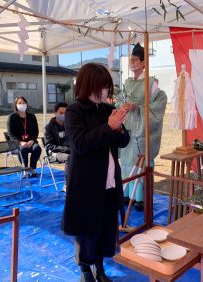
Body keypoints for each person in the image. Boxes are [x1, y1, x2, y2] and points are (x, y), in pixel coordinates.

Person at [62, 63, 130, 282]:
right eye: (101, 87)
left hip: (109, 180)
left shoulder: (107, 110)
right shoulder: (75, 111)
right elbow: (80, 144)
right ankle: (85, 270)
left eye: (107, 88)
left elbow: (123, 141)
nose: (105, 92)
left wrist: (119, 129)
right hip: (86, 182)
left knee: (105, 228)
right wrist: (108, 128)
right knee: (87, 230)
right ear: (88, 85)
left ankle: (100, 269)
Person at [116, 43, 167, 211]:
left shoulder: (151, 83)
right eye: (131, 59)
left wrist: (137, 108)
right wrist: (122, 105)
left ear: (144, 62)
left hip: (142, 130)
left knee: (140, 162)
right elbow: (119, 101)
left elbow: (159, 104)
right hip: (128, 126)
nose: (133, 62)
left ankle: (140, 198)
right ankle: (126, 193)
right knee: (127, 162)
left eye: (136, 59)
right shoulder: (127, 82)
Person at [7, 96, 41, 177]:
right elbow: (10, 133)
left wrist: (32, 140)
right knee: (23, 150)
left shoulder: (32, 116)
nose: (22, 105)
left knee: (37, 148)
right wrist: (20, 142)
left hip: (30, 142)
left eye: (23, 103)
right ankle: (25, 169)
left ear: (26, 104)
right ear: (16, 105)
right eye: (19, 103)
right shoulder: (12, 117)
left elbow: (36, 131)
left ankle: (31, 168)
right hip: (17, 143)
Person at [44, 102, 70, 185]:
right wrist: (66, 149)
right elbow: (49, 146)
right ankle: (68, 185)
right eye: (61, 113)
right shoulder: (49, 127)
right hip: (53, 154)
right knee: (70, 158)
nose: (63, 115)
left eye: (65, 113)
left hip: (69, 150)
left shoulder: (69, 125)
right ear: (55, 113)